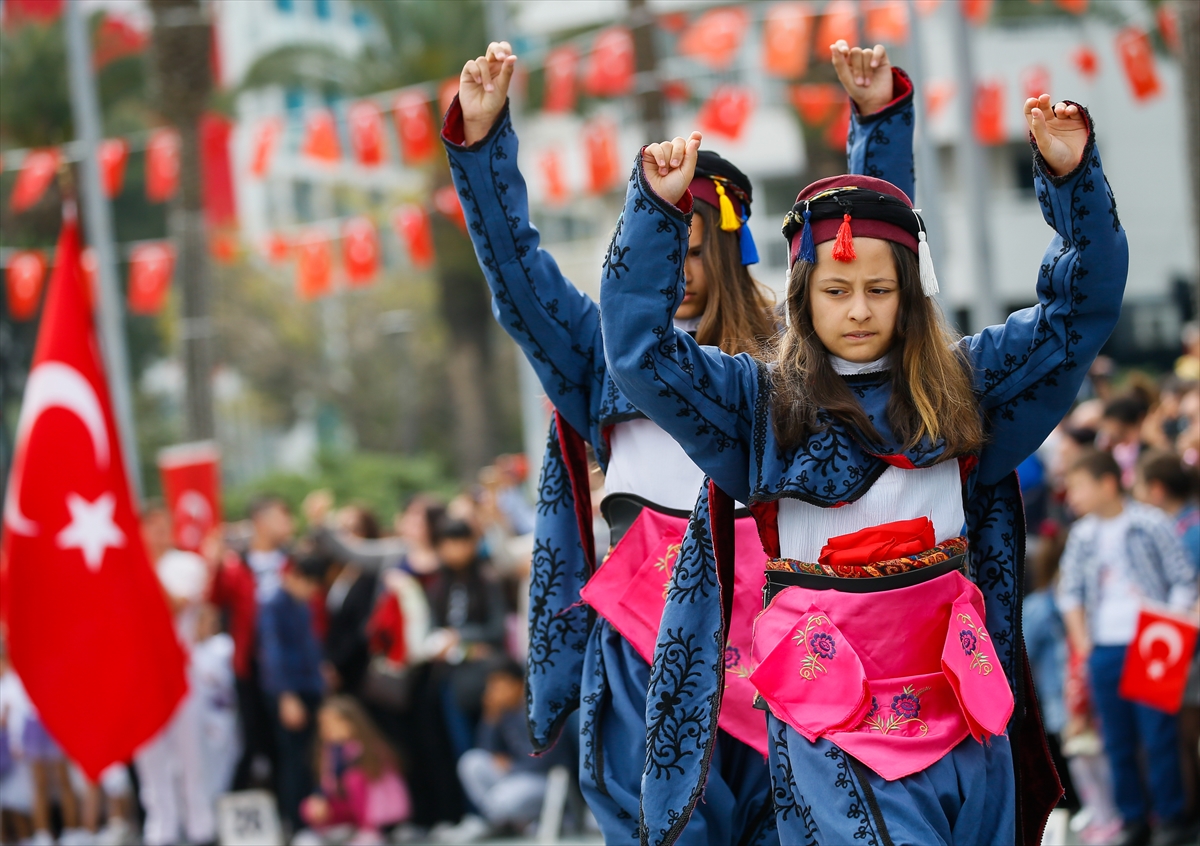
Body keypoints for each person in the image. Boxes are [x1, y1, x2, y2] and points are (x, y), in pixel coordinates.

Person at [598, 74, 1128, 843]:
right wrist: (654, 213)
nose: (857, 310)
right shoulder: (760, 407)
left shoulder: (969, 387)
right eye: (837, 289)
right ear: (805, 296)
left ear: (907, 295)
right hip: (832, 717)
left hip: (961, 700)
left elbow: (1082, 311)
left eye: (879, 289)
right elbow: (641, 353)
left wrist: (1073, 178)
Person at [442, 37, 918, 844]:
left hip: (784, 630)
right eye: (658, 248)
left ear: (729, 246)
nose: (676, 273)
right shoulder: (603, 358)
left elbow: (870, 269)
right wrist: (484, 146)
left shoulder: (789, 356)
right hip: (647, 642)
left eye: (692, 250)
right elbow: (516, 277)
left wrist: (877, 122)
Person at [1058, 449, 1196, 846]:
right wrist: (1083, 642)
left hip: (1154, 641)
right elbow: (1069, 593)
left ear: (1107, 482)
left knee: (1159, 737)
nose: (1073, 496)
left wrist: (1168, 624)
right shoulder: (1083, 534)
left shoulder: (1150, 522)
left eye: (1079, 486)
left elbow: (1184, 578)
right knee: (1116, 740)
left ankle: (1170, 818)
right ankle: (1132, 819)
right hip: (1104, 644)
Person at [134, 504, 216, 846]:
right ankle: (161, 830)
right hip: (140, 680)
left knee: (190, 757)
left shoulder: (186, 564)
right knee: (150, 762)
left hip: (181, 675)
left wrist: (142, 567)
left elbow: (175, 606)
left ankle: (200, 827)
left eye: (163, 526)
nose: (158, 533)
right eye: (150, 527)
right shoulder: (123, 569)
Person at [454, 661, 573, 840]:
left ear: (517, 683)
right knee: (472, 761)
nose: (493, 691)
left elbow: (546, 759)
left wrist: (511, 767)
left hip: (545, 779)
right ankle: (509, 822)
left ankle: (501, 821)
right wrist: (490, 718)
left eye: (498, 684)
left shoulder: (541, 708)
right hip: (517, 778)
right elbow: (486, 750)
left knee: (504, 798)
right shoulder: (505, 712)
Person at [258, 551, 329, 835]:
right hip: (289, 691)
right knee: (294, 759)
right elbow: (272, 654)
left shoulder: (302, 605)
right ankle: (297, 823)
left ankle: (313, 818)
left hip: (310, 686)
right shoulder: (273, 604)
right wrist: (286, 695)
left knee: (312, 757)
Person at [296, 697, 410, 846]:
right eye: (324, 724)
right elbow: (328, 786)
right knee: (310, 805)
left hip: (377, 811)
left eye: (334, 723)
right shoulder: (328, 753)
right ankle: (329, 831)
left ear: (353, 722)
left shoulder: (367, 749)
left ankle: (370, 833)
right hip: (345, 807)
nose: (329, 729)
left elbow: (373, 788)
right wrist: (319, 799)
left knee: (354, 779)